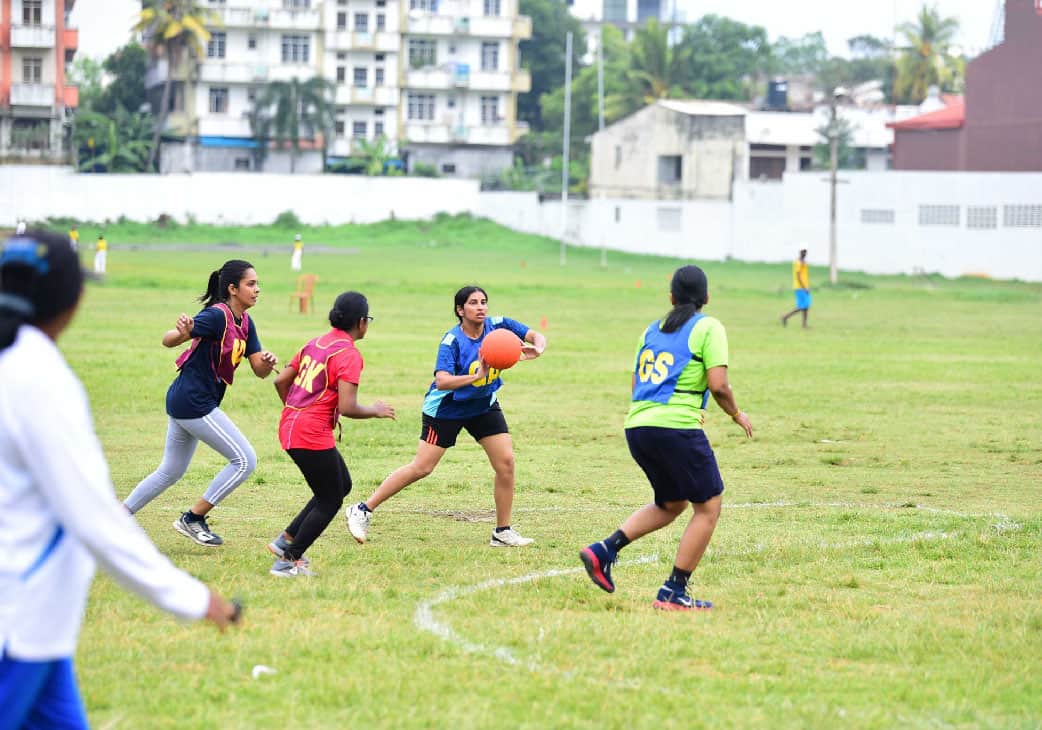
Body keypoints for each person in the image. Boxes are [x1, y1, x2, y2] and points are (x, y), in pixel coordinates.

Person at [0, 230, 240, 729]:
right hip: (17, 621)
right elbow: (93, 520)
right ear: (73, 299)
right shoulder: (41, 381)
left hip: (41, 629)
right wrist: (193, 598)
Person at [580, 265, 753, 611]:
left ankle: (604, 550)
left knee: (672, 503)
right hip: (677, 426)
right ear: (706, 297)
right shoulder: (709, 327)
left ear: (671, 297)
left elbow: (635, 385)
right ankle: (675, 590)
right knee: (709, 506)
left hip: (639, 425)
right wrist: (736, 414)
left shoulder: (651, 330)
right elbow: (718, 385)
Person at [346, 285, 546, 548]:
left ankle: (502, 531)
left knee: (506, 463)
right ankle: (362, 509)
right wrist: (475, 377)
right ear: (460, 310)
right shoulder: (452, 341)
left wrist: (537, 349)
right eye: (473, 303)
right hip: (447, 409)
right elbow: (441, 381)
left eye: (484, 301)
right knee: (422, 468)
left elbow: (536, 335)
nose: (481, 307)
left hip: (483, 405)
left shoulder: (499, 326)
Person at [123, 260, 278, 547]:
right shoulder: (217, 316)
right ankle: (193, 518)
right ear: (232, 289)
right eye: (251, 284)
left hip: (186, 399)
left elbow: (258, 369)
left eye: (257, 284)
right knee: (245, 460)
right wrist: (182, 331)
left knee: (170, 470)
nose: (257, 289)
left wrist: (267, 361)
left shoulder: (245, 321)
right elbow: (168, 341)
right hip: (194, 402)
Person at [268, 292, 396, 577]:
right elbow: (347, 406)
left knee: (341, 485)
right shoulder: (348, 354)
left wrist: (296, 408)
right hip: (310, 433)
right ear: (362, 322)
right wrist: (374, 410)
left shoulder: (316, 343)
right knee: (330, 499)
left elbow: (280, 380)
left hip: (291, 425)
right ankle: (289, 560)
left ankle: (285, 540)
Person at [781, 248, 811, 328]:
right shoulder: (798, 263)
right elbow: (798, 276)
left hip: (804, 286)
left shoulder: (803, 262)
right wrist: (805, 287)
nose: (805, 253)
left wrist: (807, 286)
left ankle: (804, 324)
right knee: (801, 306)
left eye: (805, 252)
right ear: (800, 252)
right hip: (800, 287)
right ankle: (785, 317)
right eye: (803, 252)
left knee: (806, 306)